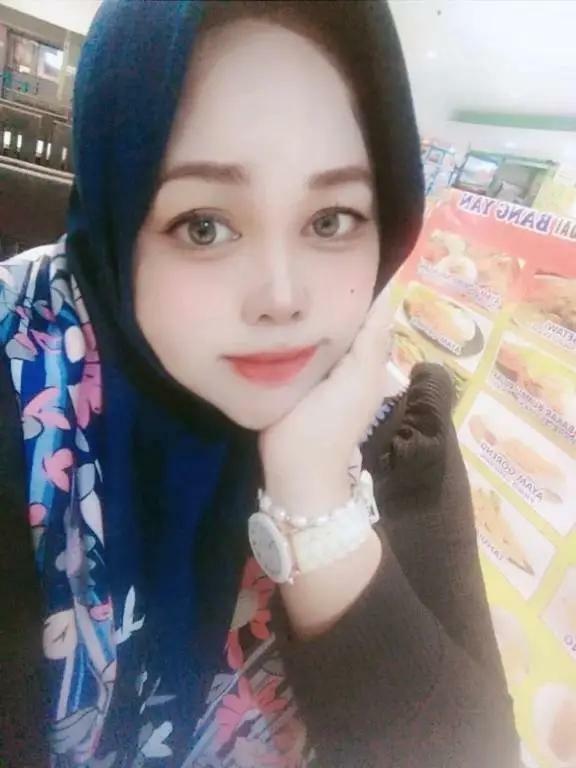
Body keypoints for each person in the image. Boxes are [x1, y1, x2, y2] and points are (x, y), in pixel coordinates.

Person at [0, 1, 520, 766]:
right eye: (205, 225)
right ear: (118, 220)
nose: (282, 298)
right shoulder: (24, 373)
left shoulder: (396, 429)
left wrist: (314, 499)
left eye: (332, 220)